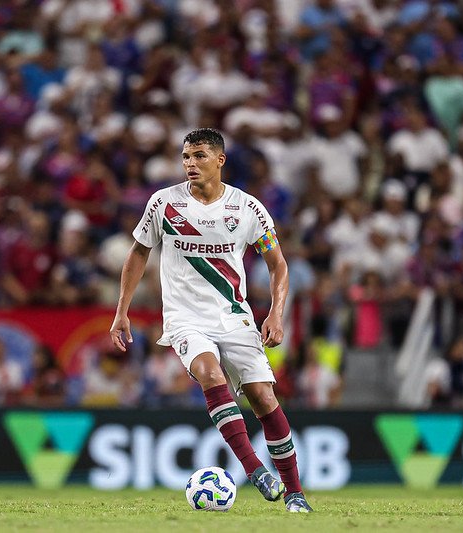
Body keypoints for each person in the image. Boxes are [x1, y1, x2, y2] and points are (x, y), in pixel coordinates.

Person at [109, 128, 312, 513]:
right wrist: (122, 310)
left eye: (199, 156)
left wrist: (276, 313)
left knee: (264, 398)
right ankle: (254, 470)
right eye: (186, 157)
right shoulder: (164, 204)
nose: (190, 164)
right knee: (210, 373)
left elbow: (278, 265)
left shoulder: (247, 209)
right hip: (186, 318)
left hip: (234, 316)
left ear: (220, 160)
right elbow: (138, 253)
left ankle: (295, 493)